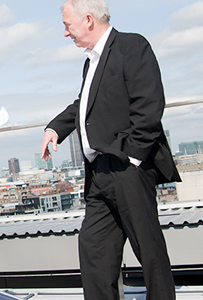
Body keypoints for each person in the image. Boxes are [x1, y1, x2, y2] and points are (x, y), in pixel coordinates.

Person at [40, 0, 181, 299]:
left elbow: (149, 105)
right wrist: (55, 128)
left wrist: (132, 158)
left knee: (149, 252)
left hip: (127, 168)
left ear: (88, 20)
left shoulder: (132, 46)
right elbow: (85, 105)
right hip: (99, 175)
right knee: (95, 252)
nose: (66, 33)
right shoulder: (91, 60)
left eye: (67, 25)